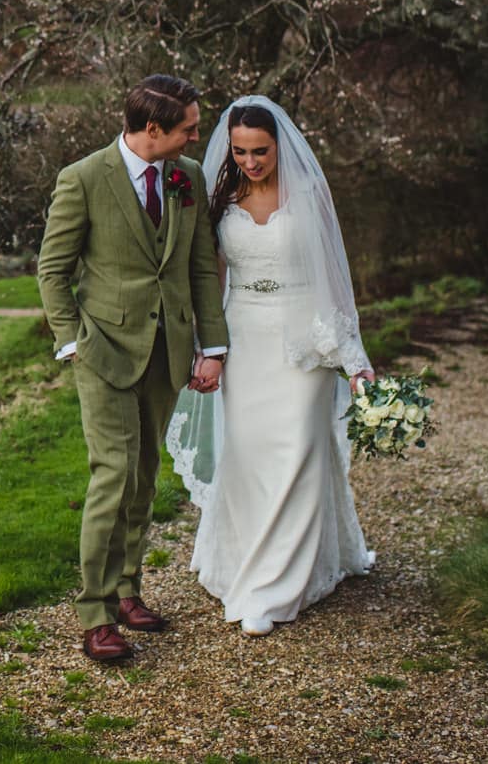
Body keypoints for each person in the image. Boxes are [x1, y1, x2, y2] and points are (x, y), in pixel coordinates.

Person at [165, 96, 375, 637]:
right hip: (244, 338)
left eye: (260, 151)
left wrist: (354, 361)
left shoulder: (308, 195)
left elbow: (333, 281)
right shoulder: (221, 195)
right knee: (249, 454)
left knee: (297, 454)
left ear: (281, 146)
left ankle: (275, 587)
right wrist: (208, 350)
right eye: (240, 151)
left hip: (302, 342)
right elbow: (207, 280)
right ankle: (241, 561)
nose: (250, 162)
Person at [38, 74, 231, 663]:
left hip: (166, 352)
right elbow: (52, 271)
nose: (198, 136)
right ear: (153, 130)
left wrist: (212, 347)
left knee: (144, 477)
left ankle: (128, 592)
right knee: (112, 477)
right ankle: (95, 614)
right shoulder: (83, 178)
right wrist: (72, 343)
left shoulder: (187, 176)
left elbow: (201, 268)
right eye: (189, 128)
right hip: (103, 353)